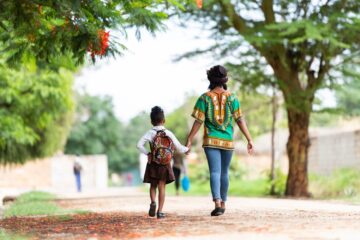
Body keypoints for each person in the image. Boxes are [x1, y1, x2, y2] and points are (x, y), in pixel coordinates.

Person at [186, 65, 254, 217]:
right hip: (227, 141)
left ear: (210, 79)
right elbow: (240, 120)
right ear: (224, 80)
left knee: (215, 172)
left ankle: (217, 202)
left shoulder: (204, 98)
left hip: (211, 141)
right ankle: (223, 203)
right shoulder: (233, 98)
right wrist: (249, 139)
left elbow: (198, 121)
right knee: (224, 172)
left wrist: (189, 139)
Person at [137, 106, 189, 219]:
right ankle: (160, 211)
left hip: (153, 163)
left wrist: (148, 153)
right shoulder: (168, 133)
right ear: (164, 120)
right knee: (162, 187)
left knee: (153, 185)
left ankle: (153, 202)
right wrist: (187, 150)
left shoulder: (150, 133)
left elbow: (139, 145)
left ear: (151, 121)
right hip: (165, 164)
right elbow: (179, 147)